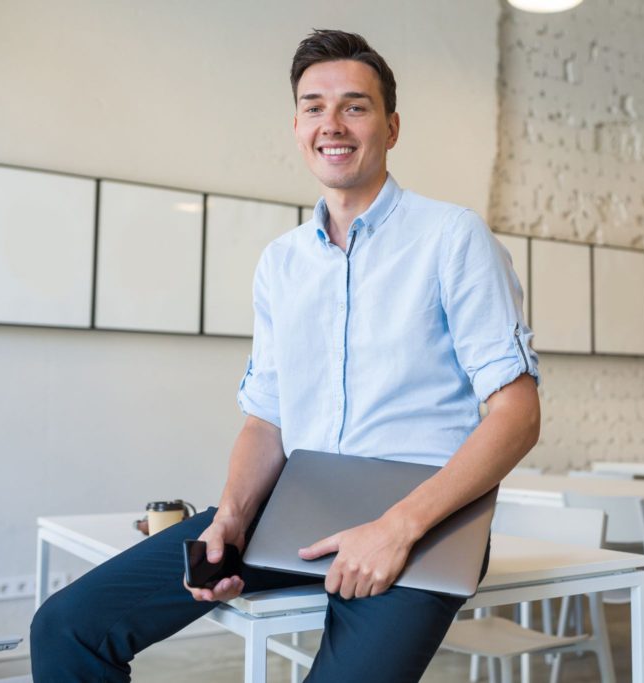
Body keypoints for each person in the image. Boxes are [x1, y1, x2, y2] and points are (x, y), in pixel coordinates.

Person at [30, 29, 540, 682]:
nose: (333, 123)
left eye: (355, 105)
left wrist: (395, 527)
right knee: (66, 626)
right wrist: (234, 518)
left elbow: (517, 414)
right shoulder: (281, 263)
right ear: (297, 125)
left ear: (391, 125)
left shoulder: (452, 238)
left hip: (422, 519)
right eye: (313, 106)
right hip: (293, 504)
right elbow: (265, 417)